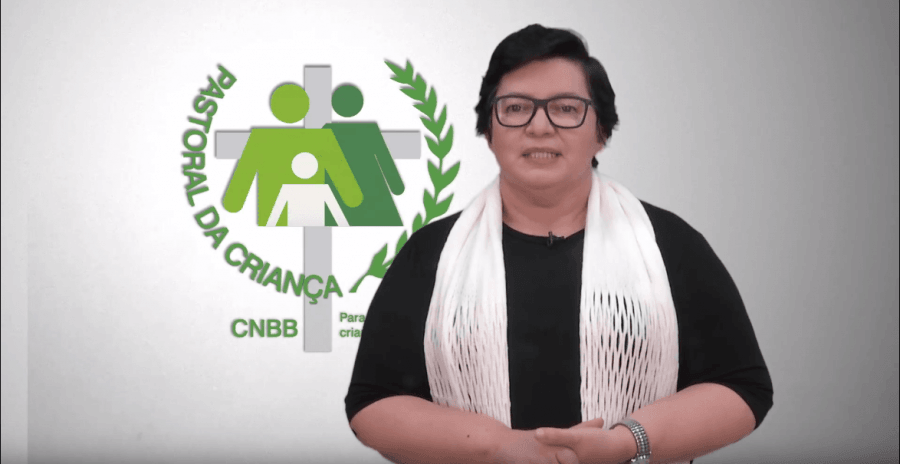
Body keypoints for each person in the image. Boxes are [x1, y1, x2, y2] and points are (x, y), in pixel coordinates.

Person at [345, 24, 773, 464]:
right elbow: (373, 401)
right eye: (515, 108)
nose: (539, 127)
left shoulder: (669, 246)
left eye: (566, 108)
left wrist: (626, 443)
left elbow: (741, 386)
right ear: (489, 130)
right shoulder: (433, 253)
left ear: (601, 131)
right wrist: (499, 447)